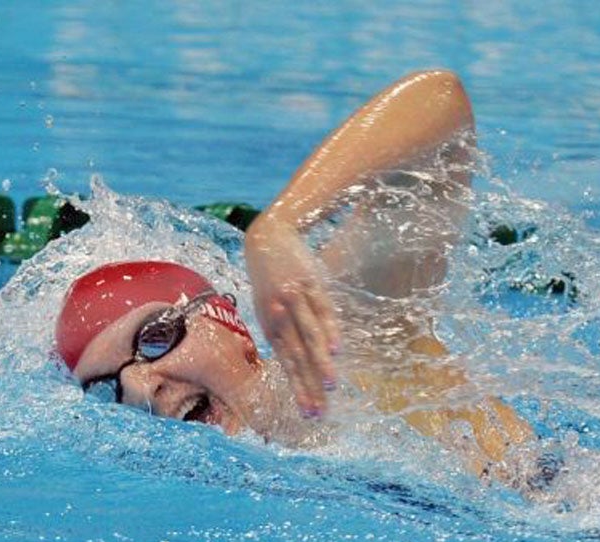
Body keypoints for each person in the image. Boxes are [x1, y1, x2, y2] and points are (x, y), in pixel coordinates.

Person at [55, 70, 539, 486]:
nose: (141, 389)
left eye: (156, 338)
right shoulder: (254, 478)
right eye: (107, 388)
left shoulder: (346, 339)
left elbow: (439, 100)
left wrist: (277, 229)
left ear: (226, 319)